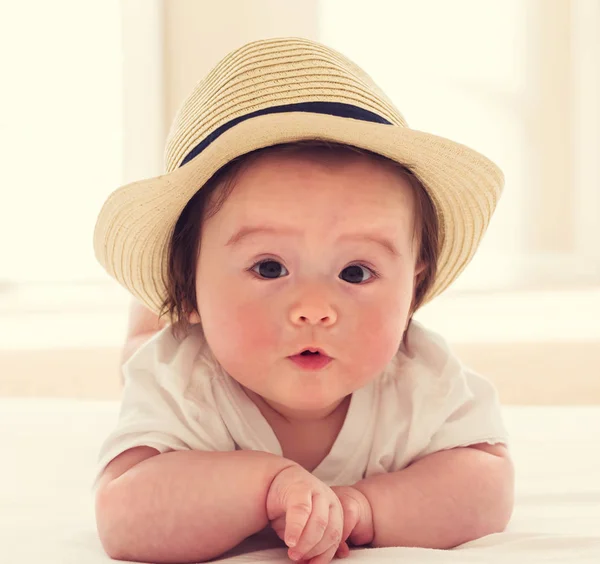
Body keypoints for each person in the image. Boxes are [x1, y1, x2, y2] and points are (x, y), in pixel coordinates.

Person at [93, 37, 514, 564]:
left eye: (355, 272)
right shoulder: (180, 381)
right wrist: (264, 487)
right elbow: (122, 515)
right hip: (187, 339)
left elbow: (487, 480)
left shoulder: (420, 376)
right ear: (189, 281)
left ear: (412, 286)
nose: (314, 308)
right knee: (142, 350)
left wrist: (363, 508)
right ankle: (156, 310)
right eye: (269, 267)